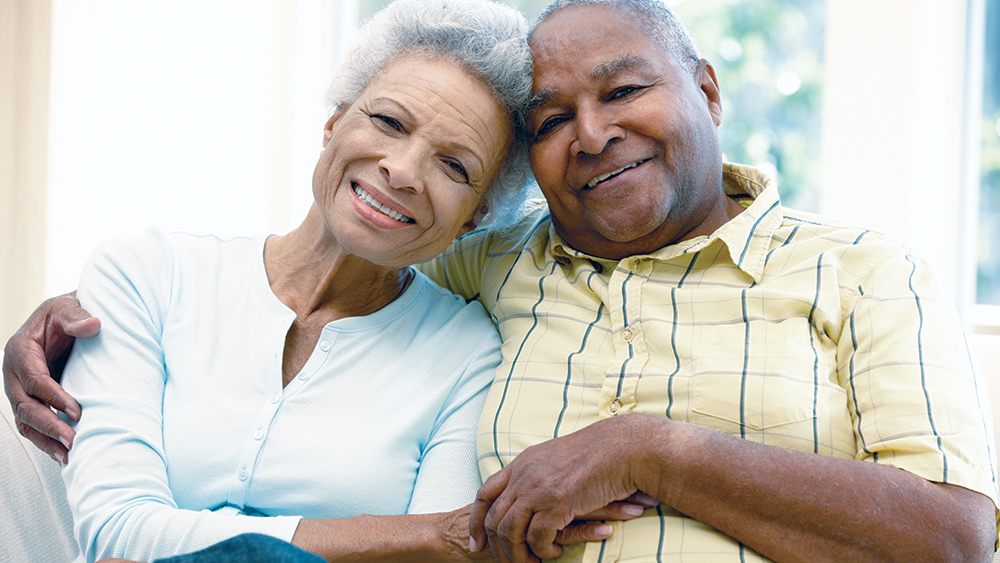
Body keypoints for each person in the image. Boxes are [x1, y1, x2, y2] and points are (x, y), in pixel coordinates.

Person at [6, 0, 998, 562]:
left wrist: (655, 450)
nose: (591, 134)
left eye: (622, 89)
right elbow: (353, 235)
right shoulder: (495, 261)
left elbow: (955, 539)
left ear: (704, 86)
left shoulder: (863, 271)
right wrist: (66, 319)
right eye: (550, 119)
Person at [1, 1, 647, 562]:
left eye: (453, 164)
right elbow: (116, 532)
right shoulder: (145, 272)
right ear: (335, 122)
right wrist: (412, 534)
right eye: (389, 122)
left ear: (475, 215)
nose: (401, 169)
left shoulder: (469, 352)